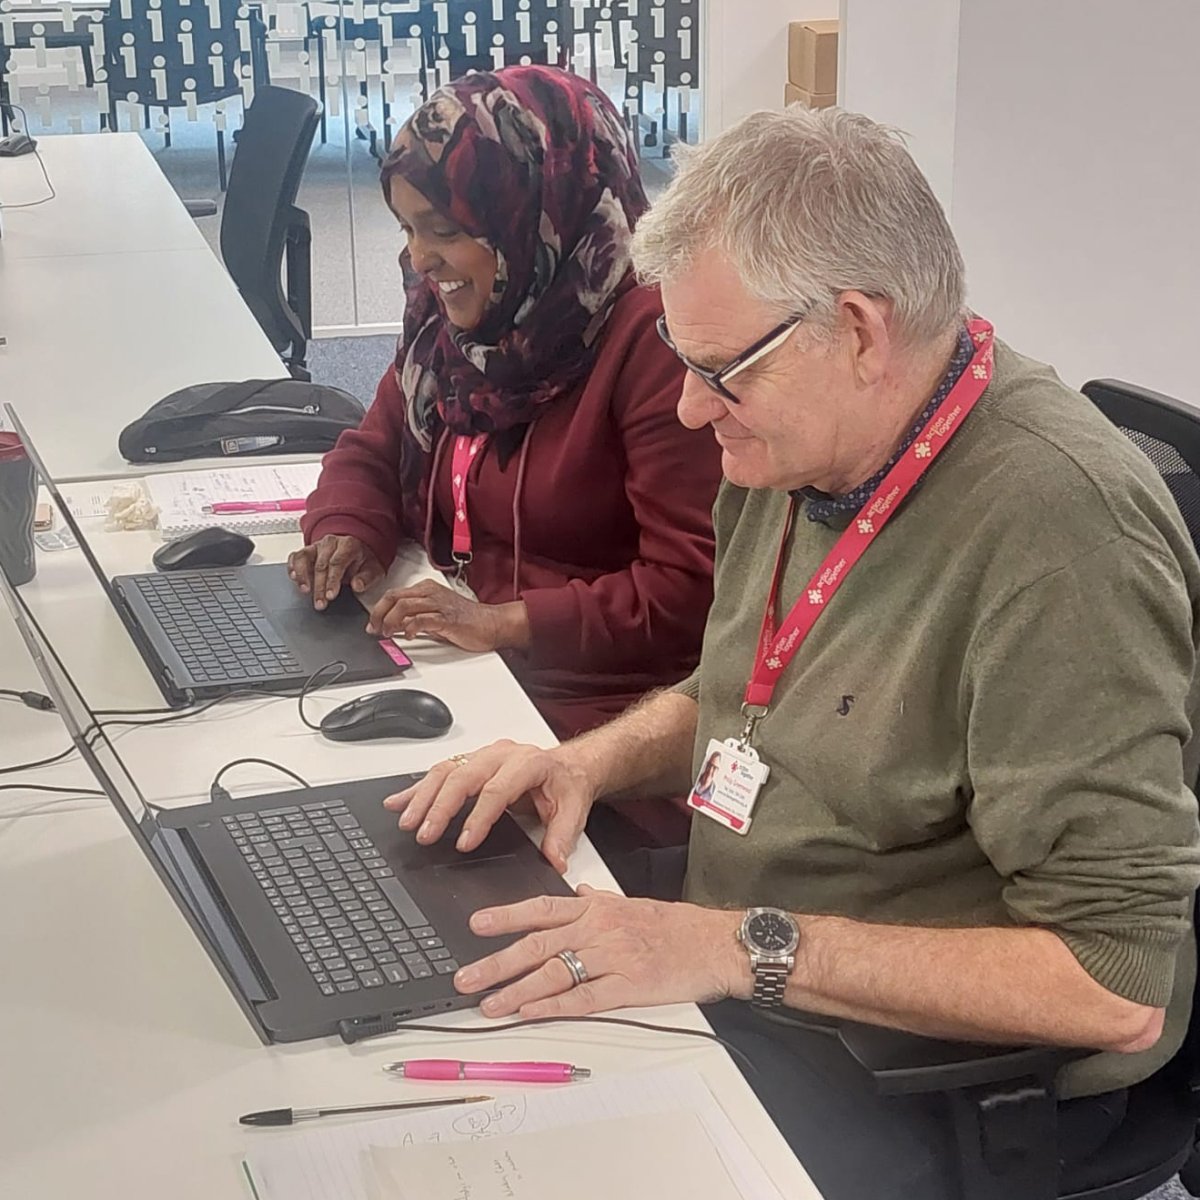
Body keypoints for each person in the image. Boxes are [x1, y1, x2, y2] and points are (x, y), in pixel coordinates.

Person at [378, 106, 1200, 1199]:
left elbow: (1112, 983)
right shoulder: (796, 446)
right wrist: (584, 763)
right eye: (677, 353)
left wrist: (732, 948)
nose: (685, 402)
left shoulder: (1062, 542)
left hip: (912, 1069)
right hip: (750, 969)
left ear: (859, 330)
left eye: (719, 368)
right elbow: (742, 696)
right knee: (414, 1076)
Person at [289, 66, 722, 851]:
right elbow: (375, 443)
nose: (421, 259)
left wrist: (508, 623)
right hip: (472, 680)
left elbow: (691, 594)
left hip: (600, 729)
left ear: (532, 211)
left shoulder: (652, 342)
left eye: (446, 230)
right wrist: (346, 528)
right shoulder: (454, 326)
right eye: (408, 229)